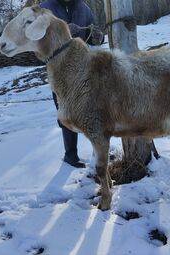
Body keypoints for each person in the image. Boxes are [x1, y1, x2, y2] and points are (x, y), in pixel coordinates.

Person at [40, 0, 103, 168]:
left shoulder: (84, 8)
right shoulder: (45, 8)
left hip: (83, 69)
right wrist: (65, 30)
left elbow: (92, 33)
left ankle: (98, 151)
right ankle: (70, 155)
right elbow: (40, 41)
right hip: (59, 72)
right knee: (66, 113)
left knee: (91, 111)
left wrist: (98, 37)